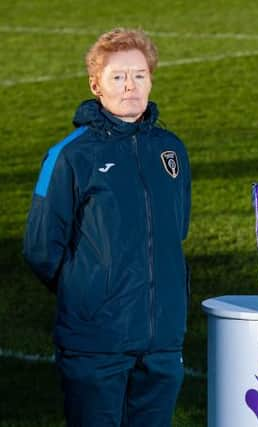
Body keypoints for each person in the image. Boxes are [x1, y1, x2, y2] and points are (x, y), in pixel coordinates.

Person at [23, 28, 191, 426]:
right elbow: (40, 249)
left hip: (162, 342)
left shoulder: (171, 150)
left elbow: (176, 229)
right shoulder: (70, 156)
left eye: (138, 75)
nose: (129, 85)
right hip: (96, 343)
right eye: (118, 77)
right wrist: (91, 294)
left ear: (151, 78)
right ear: (96, 85)